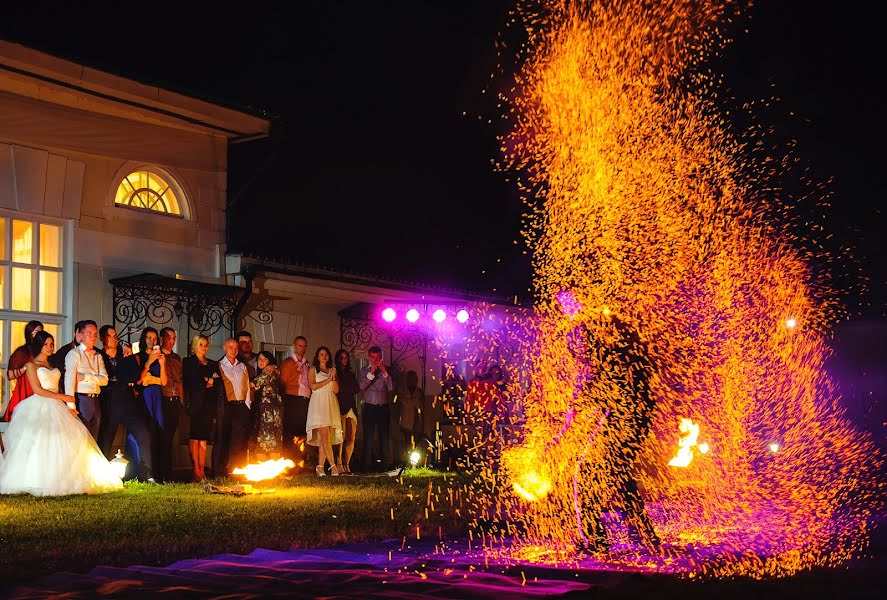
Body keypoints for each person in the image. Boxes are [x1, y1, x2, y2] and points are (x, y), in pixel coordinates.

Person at [573, 315, 660, 552]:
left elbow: (603, 391)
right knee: (620, 479)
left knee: (588, 475)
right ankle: (643, 535)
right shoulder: (627, 354)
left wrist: (580, 403)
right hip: (629, 420)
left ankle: (597, 540)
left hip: (626, 422)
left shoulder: (617, 357)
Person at [0, 331, 123, 496]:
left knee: (73, 436)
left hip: (57, 404)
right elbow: (38, 390)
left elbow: (57, 385)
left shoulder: (52, 365)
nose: (50, 347)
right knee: (41, 441)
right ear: (39, 346)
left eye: (52, 344)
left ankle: (66, 477)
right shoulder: (31, 365)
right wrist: (63, 397)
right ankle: (36, 479)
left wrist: (67, 405)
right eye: (46, 344)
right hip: (40, 404)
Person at [96, 325, 155, 482]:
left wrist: (120, 379)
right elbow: (106, 379)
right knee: (106, 439)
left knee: (144, 433)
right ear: (103, 339)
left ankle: (147, 474)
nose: (114, 339)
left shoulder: (125, 354)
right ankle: (101, 476)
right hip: (110, 402)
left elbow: (135, 376)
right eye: (110, 336)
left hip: (128, 401)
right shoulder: (99, 356)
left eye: (115, 336)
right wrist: (120, 380)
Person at [183, 335, 221, 482]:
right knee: (195, 437)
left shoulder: (212, 363)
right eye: (201, 344)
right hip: (194, 405)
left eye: (206, 345)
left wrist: (207, 380)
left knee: (203, 438)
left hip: (208, 405)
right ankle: (196, 471)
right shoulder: (188, 362)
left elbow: (218, 383)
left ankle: (202, 469)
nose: (204, 347)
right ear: (194, 346)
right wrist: (208, 380)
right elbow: (192, 381)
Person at [215, 338, 254, 475]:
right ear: (224, 348)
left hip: (241, 406)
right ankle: (220, 471)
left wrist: (247, 405)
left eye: (236, 347)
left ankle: (238, 470)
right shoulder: (218, 365)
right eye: (230, 347)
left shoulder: (242, 366)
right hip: (226, 407)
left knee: (240, 439)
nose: (234, 350)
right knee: (223, 439)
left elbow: (247, 387)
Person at [64, 321, 108, 440]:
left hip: (96, 400)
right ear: (81, 335)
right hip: (81, 399)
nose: (93, 336)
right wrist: (71, 406)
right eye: (89, 333)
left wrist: (85, 377)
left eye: (95, 333)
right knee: (82, 437)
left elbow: (105, 380)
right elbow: (69, 380)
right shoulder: (74, 354)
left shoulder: (98, 356)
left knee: (94, 437)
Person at [306, 346, 342, 476]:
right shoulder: (313, 370)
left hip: (330, 402)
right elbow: (313, 386)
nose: (324, 356)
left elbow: (336, 390)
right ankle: (333, 466)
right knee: (325, 435)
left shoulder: (332, 371)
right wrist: (328, 380)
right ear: (317, 356)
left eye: (326, 354)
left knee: (325, 438)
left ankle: (320, 467)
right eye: (321, 354)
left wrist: (333, 377)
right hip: (319, 404)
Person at [134, 327, 166, 473]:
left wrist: (162, 364)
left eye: (155, 338)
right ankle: (144, 468)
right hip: (145, 394)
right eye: (149, 338)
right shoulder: (139, 356)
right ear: (143, 339)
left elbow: (164, 382)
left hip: (157, 394)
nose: (152, 341)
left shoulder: (161, 356)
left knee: (158, 428)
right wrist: (149, 361)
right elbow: (138, 380)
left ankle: (158, 469)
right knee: (146, 428)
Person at [359, 346, 394, 472]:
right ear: (369, 357)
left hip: (383, 408)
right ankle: (367, 466)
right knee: (368, 437)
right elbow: (362, 386)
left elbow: (391, 388)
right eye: (373, 357)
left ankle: (385, 466)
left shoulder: (387, 371)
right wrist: (372, 373)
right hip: (369, 408)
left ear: (381, 357)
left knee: (384, 437)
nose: (375, 360)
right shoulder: (364, 370)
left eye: (378, 357)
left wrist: (384, 372)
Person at [2, 320, 43, 421]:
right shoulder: (22, 351)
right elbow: (10, 375)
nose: (39, 336)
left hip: (42, 390)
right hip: (26, 390)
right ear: (29, 334)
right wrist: (26, 368)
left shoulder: (44, 351)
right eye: (36, 332)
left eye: (41, 333)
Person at [280, 336, 311, 465]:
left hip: (305, 400)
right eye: (300, 346)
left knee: (302, 432)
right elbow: (282, 382)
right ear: (294, 346)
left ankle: (300, 462)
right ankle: (289, 462)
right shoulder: (288, 362)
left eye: (304, 346)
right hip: (292, 399)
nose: (302, 348)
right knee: (290, 431)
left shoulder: (307, 364)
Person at [157, 327, 183, 482]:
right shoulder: (158, 355)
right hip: (163, 399)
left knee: (171, 437)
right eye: (169, 338)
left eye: (174, 338)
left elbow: (180, 380)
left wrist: (182, 400)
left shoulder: (176, 358)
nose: (172, 341)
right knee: (162, 437)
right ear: (162, 339)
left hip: (175, 400)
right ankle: (161, 472)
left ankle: (168, 472)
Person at [250, 351, 283, 458]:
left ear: (270, 361)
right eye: (259, 359)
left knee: (266, 439)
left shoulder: (268, 371)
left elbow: (253, 384)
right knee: (274, 438)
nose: (261, 361)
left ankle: (268, 470)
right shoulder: (273, 370)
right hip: (273, 410)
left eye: (265, 359)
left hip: (268, 412)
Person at [333, 349, 359, 474]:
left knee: (351, 436)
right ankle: (339, 463)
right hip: (340, 405)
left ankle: (347, 463)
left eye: (346, 357)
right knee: (341, 436)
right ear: (338, 359)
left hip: (351, 406)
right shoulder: (335, 373)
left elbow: (356, 388)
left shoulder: (350, 374)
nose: (344, 360)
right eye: (342, 357)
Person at [398, 370, 424, 464]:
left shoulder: (419, 391)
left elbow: (419, 405)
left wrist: (410, 401)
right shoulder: (402, 391)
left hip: (416, 421)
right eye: (410, 378)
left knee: (416, 442)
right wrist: (413, 401)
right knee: (406, 442)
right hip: (405, 422)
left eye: (413, 379)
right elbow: (404, 402)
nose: (412, 381)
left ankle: (414, 462)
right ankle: (406, 461)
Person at [50, 321, 83, 394]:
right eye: (80, 334)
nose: (82, 337)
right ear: (75, 333)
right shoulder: (63, 351)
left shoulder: (95, 352)